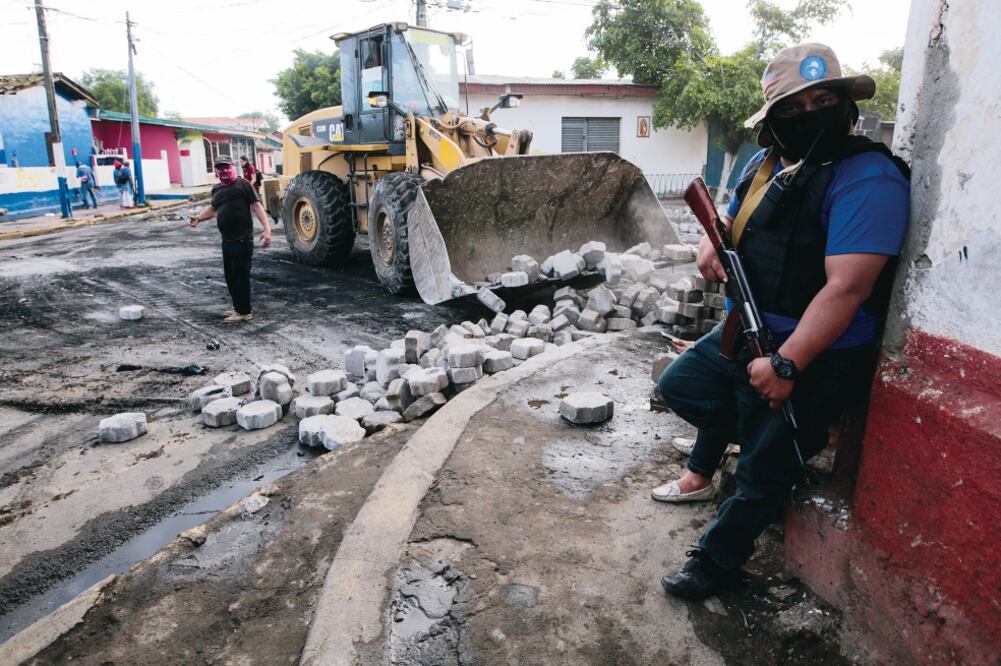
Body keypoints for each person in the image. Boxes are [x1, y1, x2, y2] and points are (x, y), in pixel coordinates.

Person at [657, 43, 910, 600]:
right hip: (743, 334)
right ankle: (761, 445)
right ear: (772, 123)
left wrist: (788, 361)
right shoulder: (765, 162)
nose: (809, 115)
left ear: (845, 105)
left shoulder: (868, 177)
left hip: (818, 351)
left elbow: (849, 286)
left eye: (823, 100)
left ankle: (718, 560)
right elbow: (728, 216)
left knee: (763, 470)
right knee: (679, 386)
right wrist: (709, 238)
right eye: (792, 109)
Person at [187, 155, 272, 323]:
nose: (224, 171)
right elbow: (213, 209)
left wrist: (267, 229)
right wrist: (198, 218)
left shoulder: (243, 185)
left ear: (233, 167)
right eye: (220, 168)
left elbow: (257, 206)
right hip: (227, 240)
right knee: (231, 277)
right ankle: (239, 306)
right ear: (216, 171)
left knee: (240, 277)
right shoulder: (217, 189)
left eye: (227, 167)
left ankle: (244, 312)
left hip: (242, 239)